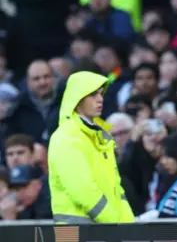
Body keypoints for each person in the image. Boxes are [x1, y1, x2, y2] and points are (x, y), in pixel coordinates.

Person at [48, 71, 134, 224]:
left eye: (101, 94)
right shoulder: (66, 137)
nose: (100, 99)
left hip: (102, 231)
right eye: (93, 94)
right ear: (78, 98)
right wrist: (115, 224)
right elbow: (83, 190)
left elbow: (116, 190)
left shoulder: (98, 136)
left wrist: (128, 226)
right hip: (74, 236)